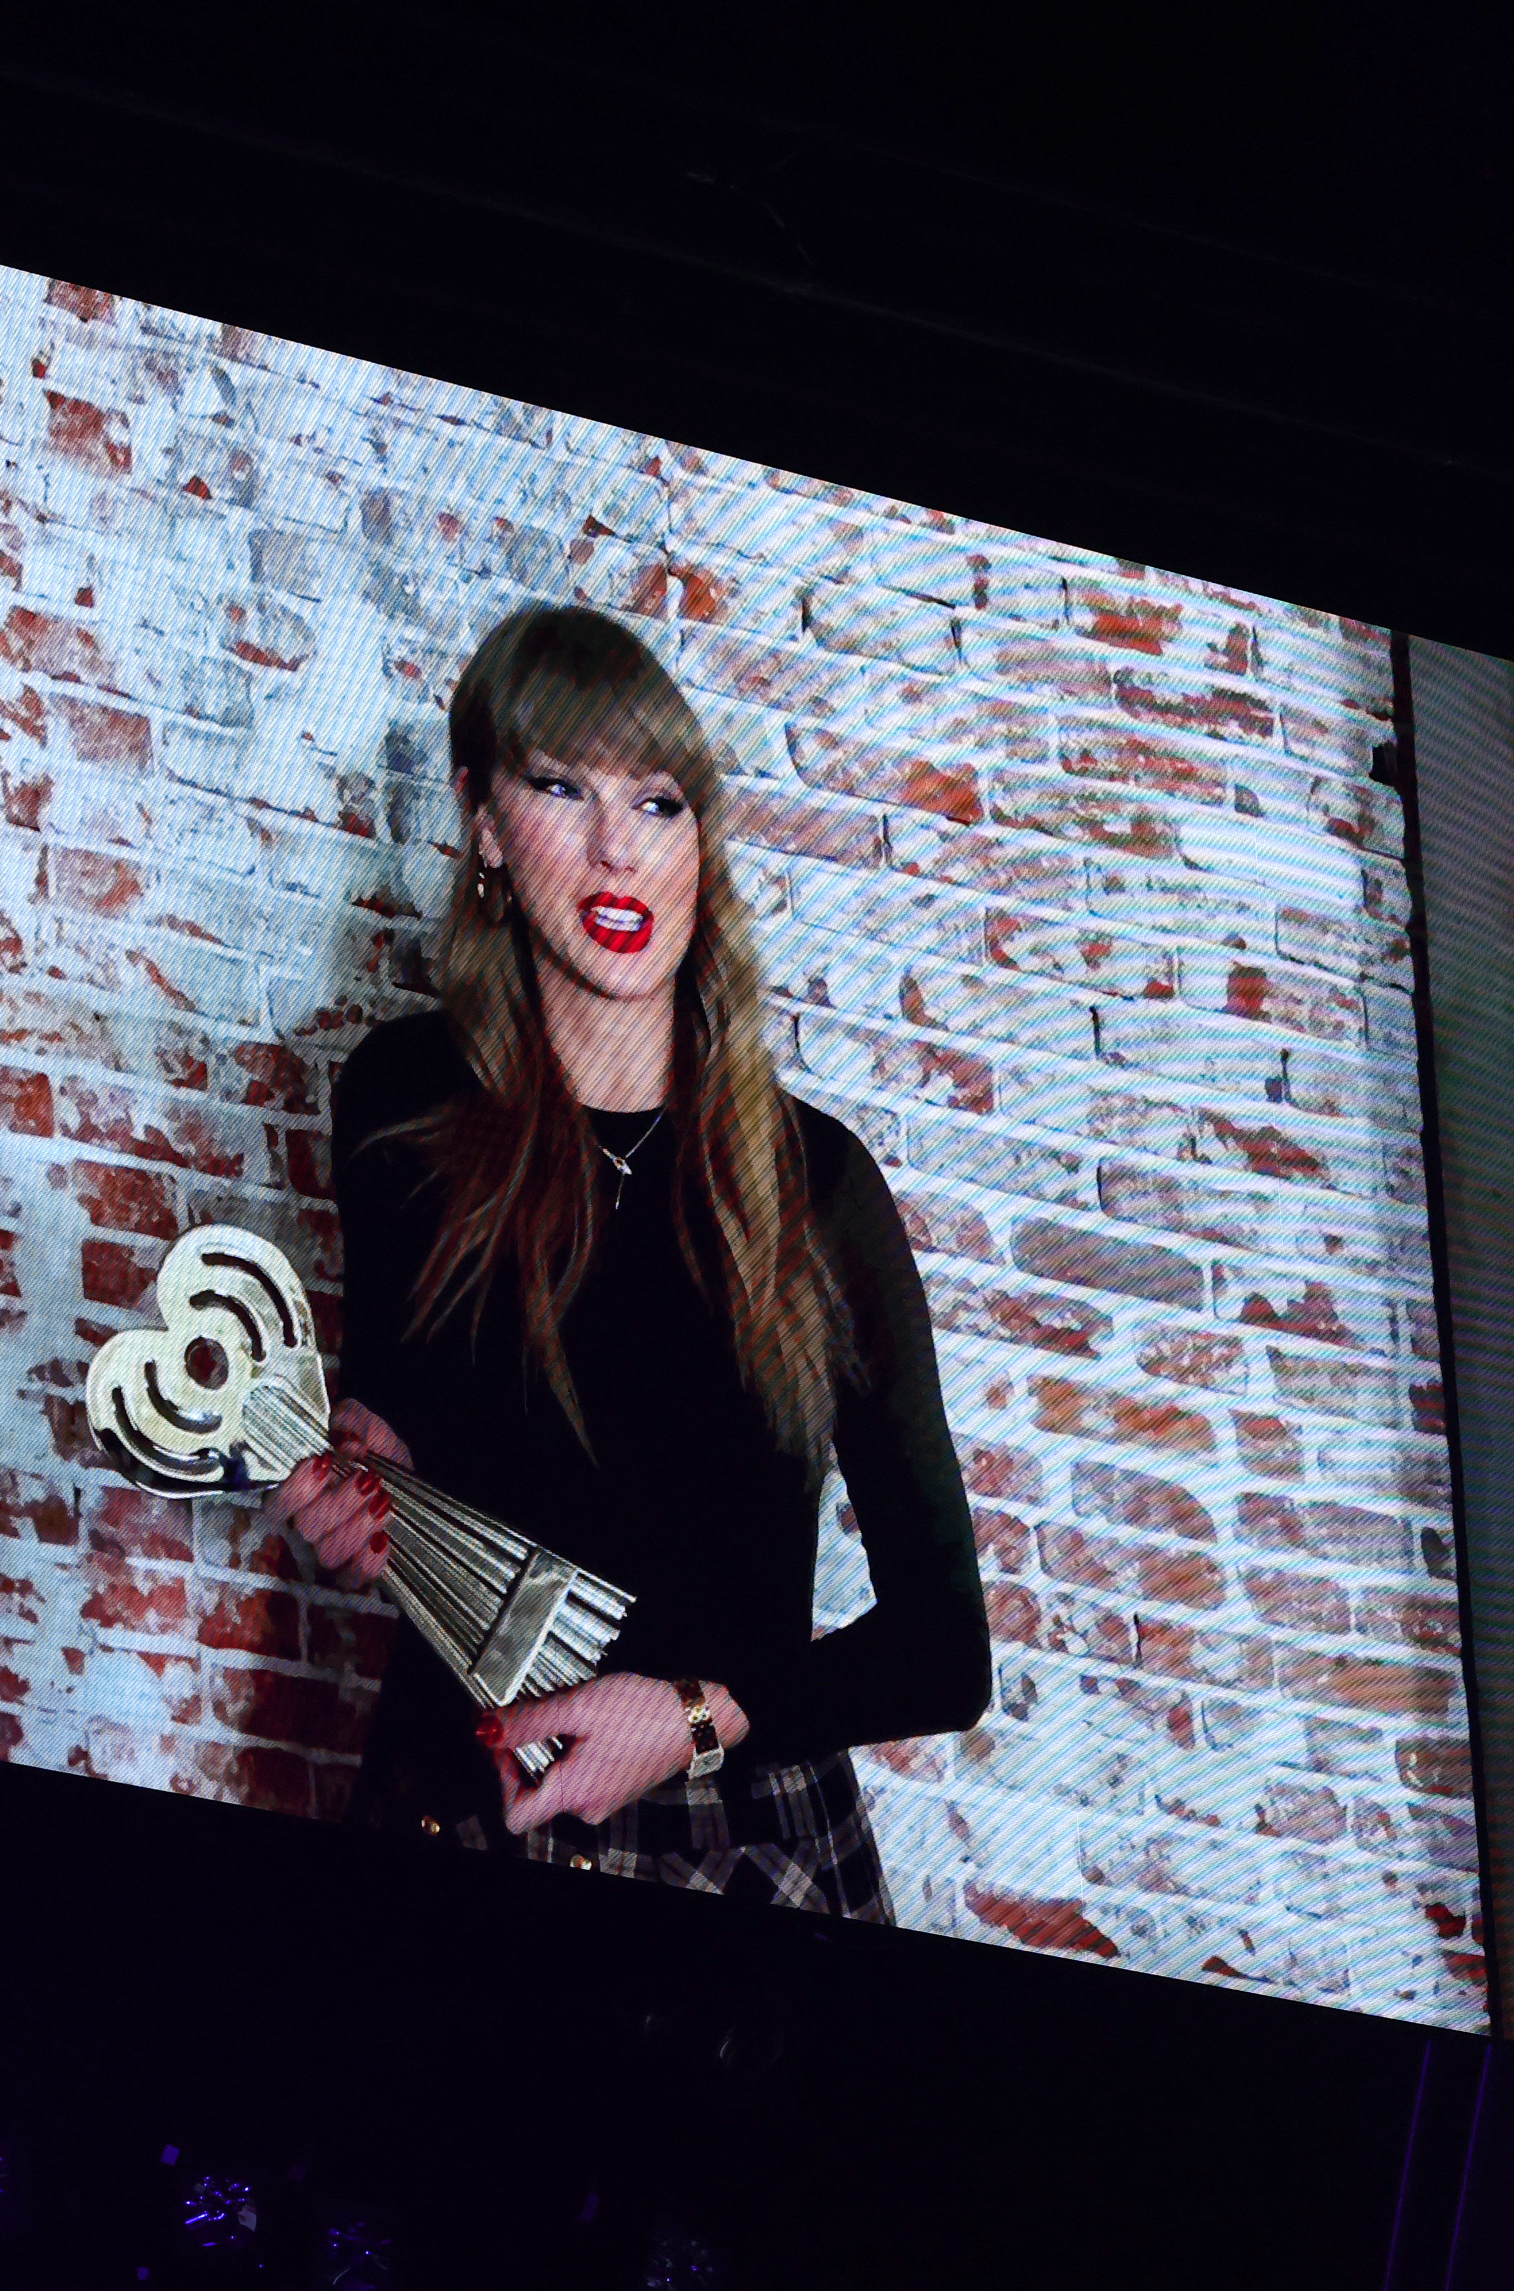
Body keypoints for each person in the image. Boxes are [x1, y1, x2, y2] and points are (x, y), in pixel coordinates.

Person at [266, 602, 992, 1918]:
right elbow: (396, 1435)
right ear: (485, 820)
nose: (618, 848)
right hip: (457, 1799)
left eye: (658, 803)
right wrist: (362, 1495)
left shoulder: (817, 1186)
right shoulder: (398, 1103)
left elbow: (945, 1650)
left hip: (745, 1845)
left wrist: (692, 1718)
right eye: (563, 789)